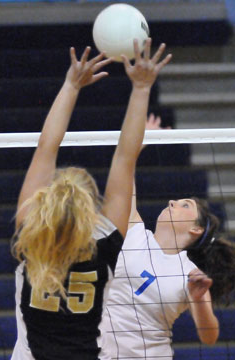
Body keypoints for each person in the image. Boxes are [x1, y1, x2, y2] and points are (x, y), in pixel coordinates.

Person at [10, 39, 172, 360]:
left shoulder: (29, 235)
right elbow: (125, 159)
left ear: (44, 204)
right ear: (90, 210)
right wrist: (141, 88)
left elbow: (46, 148)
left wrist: (71, 85)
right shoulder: (107, 243)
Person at [100, 114, 235, 360]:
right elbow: (121, 179)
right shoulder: (135, 232)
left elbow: (210, 337)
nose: (173, 201)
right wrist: (138, 144)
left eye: (185, 205)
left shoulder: (190, 274)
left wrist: (199, 301)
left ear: (196, 229)